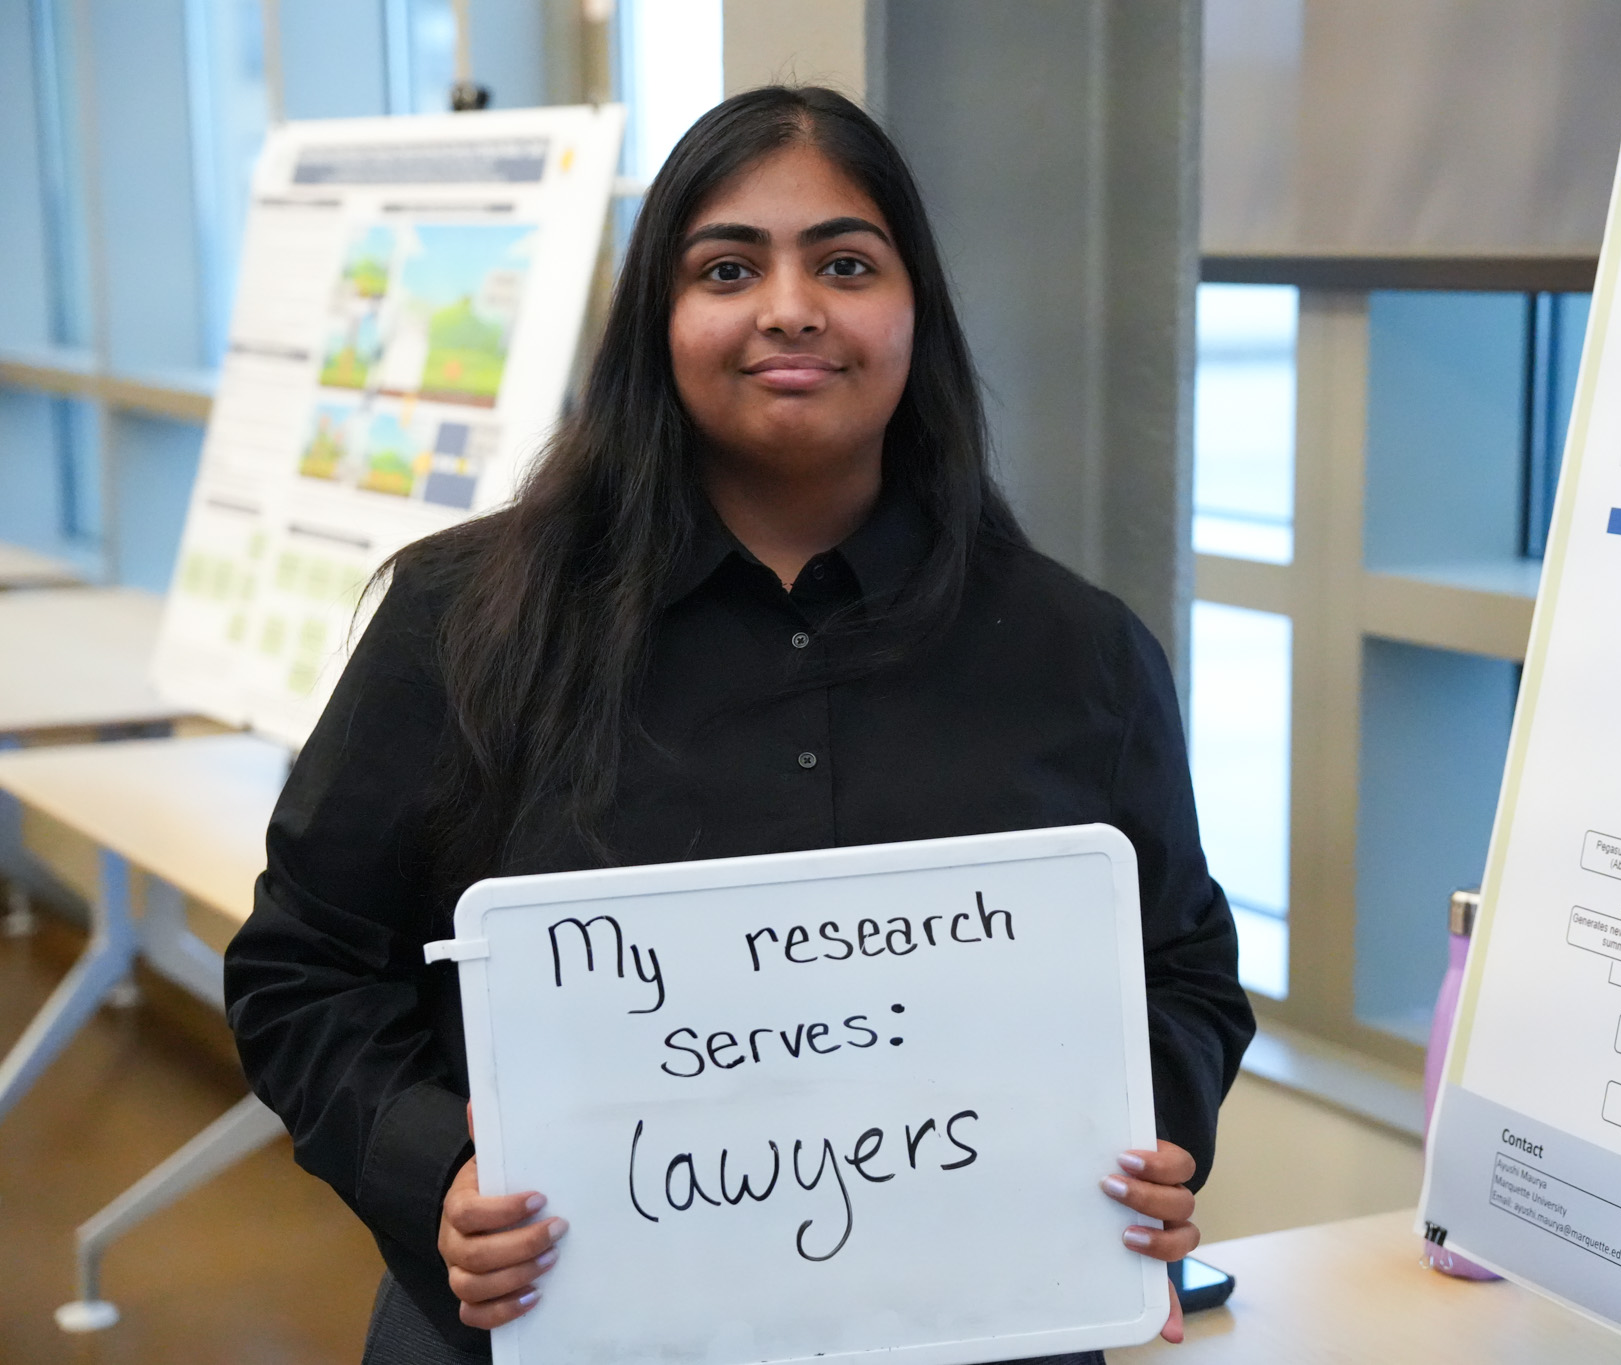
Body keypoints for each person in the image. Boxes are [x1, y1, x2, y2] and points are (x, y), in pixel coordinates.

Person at [225, 86, 1254, 1364]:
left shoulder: (1077, 654)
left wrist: (1150, 1131)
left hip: (973, 1326)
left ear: (912, 312)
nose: (789, 307)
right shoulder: (460, 622)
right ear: (657, 321)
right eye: (726, 267)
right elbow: (303, 967)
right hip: (558, 1328)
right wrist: (435, 1173)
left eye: (843, 262)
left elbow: (1185, 968)